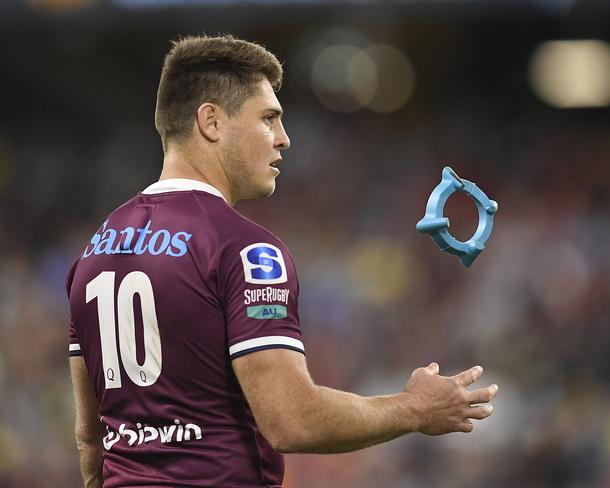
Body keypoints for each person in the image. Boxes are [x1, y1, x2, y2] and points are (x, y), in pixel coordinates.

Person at [67, 34, 499, 488]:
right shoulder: (245, 249)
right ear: (211, 121)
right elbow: (291, 421)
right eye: (268, 118)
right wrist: (412, 408)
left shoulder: (93, 252)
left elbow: (91, 439)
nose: (284, 139)